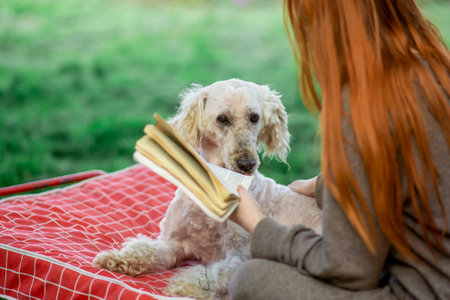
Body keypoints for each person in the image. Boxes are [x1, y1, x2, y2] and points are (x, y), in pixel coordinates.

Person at [228, 0, 450, 299]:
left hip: (423, 291)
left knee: (251, 279)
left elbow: (350, 269)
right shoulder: (428, 63)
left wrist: (258, 225)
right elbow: (409, 177)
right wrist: (326, 184)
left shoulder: (365, 101)